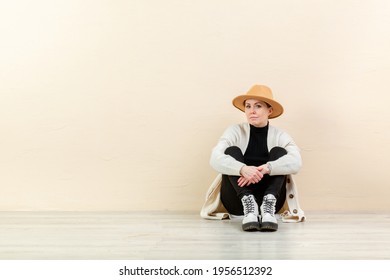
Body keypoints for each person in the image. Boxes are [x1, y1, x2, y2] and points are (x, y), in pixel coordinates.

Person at [200, 84, 305, 232]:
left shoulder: (280, 135)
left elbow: (296, 162)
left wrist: (267, 168)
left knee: (280, 152)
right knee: (231, 151)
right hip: (238, 200)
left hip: (272, 200)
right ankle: (249, 204)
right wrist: (242, 169)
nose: (252, 111)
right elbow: (215, 158)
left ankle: (268, 207)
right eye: (248, 106)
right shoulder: (235, 131)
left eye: (258, 106)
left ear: (269, 110)